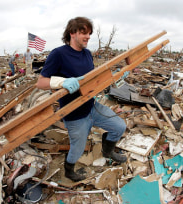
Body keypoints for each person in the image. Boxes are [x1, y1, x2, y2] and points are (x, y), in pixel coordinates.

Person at [35, 17, 127, 182]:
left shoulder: (87, 54)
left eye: (89, 33)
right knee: (77, 150)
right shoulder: (58, 54)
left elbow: (91, 80)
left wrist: (114, 78)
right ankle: (69, 171)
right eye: (83, 32)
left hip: (92, 107)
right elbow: (41, 82)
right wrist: (62, 82)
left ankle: (107, 151)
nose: (88, 37)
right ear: (72, 33)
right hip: (74, 114)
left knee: (119, 126)